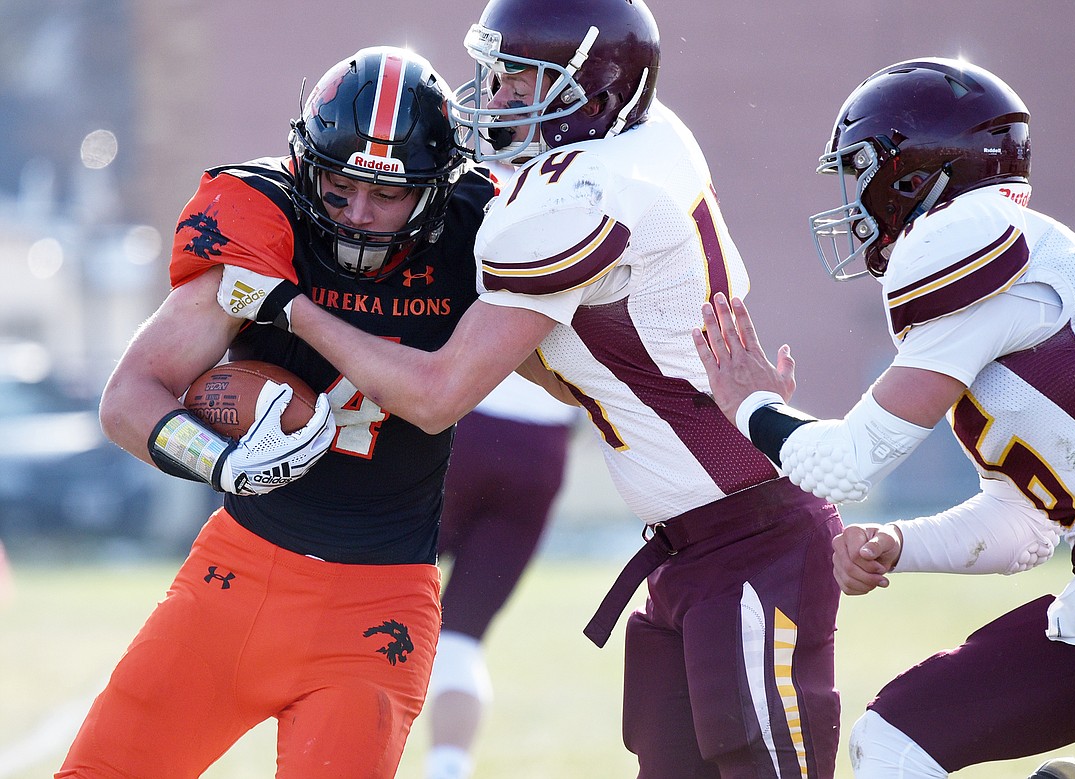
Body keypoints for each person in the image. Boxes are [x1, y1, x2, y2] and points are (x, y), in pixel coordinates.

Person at [214, 0, 846, 775]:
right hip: (698, 546)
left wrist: (292, 309)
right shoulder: (643, 141)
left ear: (597, 92)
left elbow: (439, 394)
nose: (498, 96)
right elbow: (567, 368)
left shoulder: (580, 197)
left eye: (522, 82)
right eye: (499, 74)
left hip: (752, 538)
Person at [693, 57, 1075, 779]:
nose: (853, 199)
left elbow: (848, 463)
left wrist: (750, 405)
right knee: (894, 738)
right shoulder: (1003, 276)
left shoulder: (966, 232)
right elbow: (1026, 526)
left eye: (860, 170)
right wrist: (896, 542)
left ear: (914, 175)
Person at [57, 46, 495, 778]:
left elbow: (435, 396)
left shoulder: (479, 234)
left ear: (436, 191)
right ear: (306, 165)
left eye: (387, 195)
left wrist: (293, 310)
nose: (358, 214)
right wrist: (222, 461)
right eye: (340, 185)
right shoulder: (265, 217)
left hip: (376, 606)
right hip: (235, 577)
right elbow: (129, 396)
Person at [425, 373, 578, 779]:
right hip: (542, 449)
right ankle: (447, 770)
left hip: (464, 425)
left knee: (372, 606)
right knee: (461, 639)